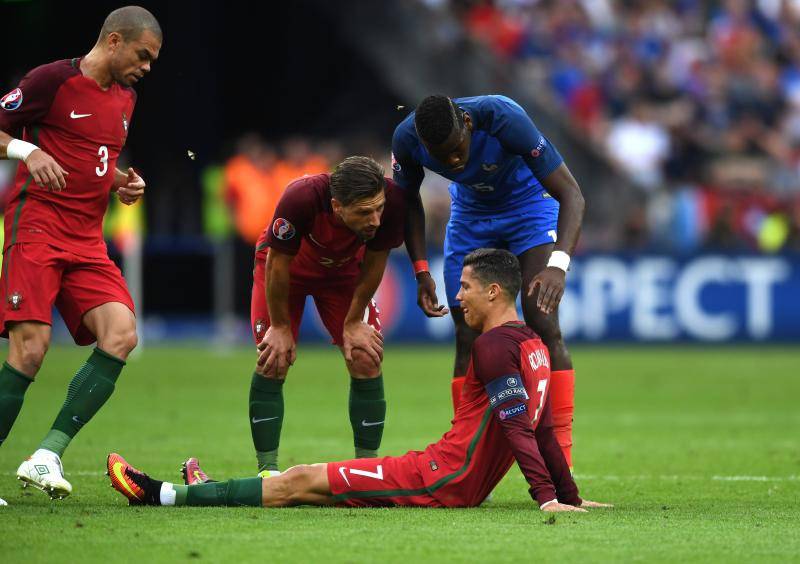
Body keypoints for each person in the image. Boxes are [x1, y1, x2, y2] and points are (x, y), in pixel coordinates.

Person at [107, 249, 611, 512]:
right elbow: (541, 429)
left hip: (439, 476)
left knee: (302, 477)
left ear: (495, 291)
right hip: (448, 476)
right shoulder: (534, 346)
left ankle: (160, 495)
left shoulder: (492, 347)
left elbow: (522, 429)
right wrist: (567, 493)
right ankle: (210, 492)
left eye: (466, 287)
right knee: (304, 492)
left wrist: (546, 498)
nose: (459, 297)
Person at [0, 6, 162, 502]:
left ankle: (47, 453)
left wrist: (120, 183)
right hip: (37, 228)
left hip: (86, 241)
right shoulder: (51, 80)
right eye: (142, 55)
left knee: (121, 334)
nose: (147, 67)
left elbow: (93, 160)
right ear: (113, 41)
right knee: (30, 350)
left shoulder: (126, 99)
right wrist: (27, 151)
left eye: (154, 60)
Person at [391, 94, 586, 468]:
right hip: (471, 215)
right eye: (442, 156)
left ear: (467, 122)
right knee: (466, 331)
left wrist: (558, 265)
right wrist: (420, 270)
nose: (453, 161)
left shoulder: (504, 116)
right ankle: (465, 459)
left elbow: (572, 194)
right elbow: (407, 201)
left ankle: (562, 464)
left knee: (541, 316)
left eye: (456, 150)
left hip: (528, 205)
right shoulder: (407, 137)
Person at [244, 156, 405, 476]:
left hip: (342, 275)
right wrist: (279, 326)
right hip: (285, 272)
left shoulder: (393, 200)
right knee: (274, 357)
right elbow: (277, 264)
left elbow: (374, 264)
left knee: (365, 355)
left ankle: (365, 470)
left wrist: (353, 322)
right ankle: (268, 471)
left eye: (378, 209)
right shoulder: (301, 198)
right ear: (336, 206)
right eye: (364, 213)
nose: (375, 219)